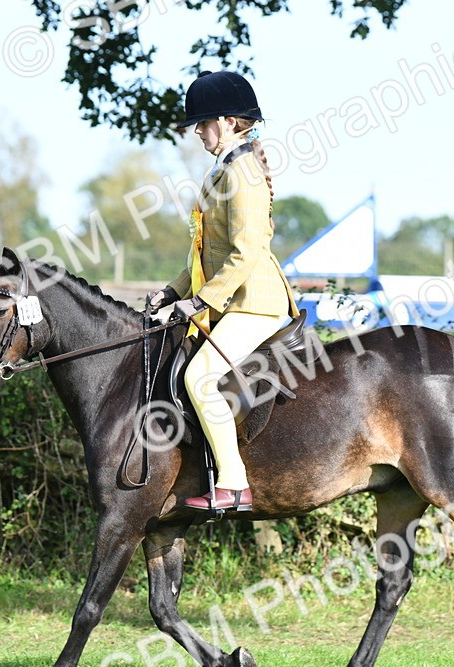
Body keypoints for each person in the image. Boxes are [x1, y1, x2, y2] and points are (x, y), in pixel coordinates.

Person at [146, 70, 299, 513]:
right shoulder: (224, 168)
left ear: (231, 121)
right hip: (232, 299)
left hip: (255, 303)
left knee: (200, 378)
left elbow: (247, 250)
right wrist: (172, 292)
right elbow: (204, 253)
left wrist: (201, 301)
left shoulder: (243, 171)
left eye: (204, 122)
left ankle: (234, 485)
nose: (197, 130)